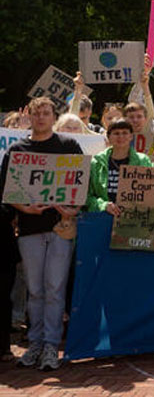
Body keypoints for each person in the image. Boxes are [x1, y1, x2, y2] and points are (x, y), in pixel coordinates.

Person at [0, 98, 83, 370]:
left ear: (53, 117)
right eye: (36, 113)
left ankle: (51, 345)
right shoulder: (17, 149)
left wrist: (70, 208)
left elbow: (81, 183)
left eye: (46, 113)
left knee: (55, 288)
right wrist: (25, 207)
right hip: (29, 228)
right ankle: (34, 342)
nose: (41, 117)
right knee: (35, 290)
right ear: (31, 118)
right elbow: (7, 190)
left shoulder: (68, 146)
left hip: (60, 228)